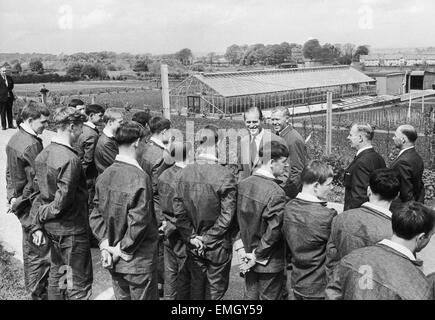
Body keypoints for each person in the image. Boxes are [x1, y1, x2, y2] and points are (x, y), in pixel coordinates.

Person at [90, 121, 159, 300]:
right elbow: (139, 222)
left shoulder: (105, 175)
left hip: (114, 260)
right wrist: (123, 249)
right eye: (145, 142)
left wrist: (106, 244)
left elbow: (95, 214)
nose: (146, 146)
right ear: (137, 142)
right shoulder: (140, 178)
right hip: (137, 262)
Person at [31, 107, 92, 300]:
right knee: (78, 283)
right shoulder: (71, 159)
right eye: (81, 127)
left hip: (53, 230)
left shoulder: (44, 153)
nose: (82, 132)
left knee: (60, 274)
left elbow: (38, 193)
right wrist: (41, 214)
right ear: (72, 127)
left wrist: (38, 223)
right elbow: (60, 203)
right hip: (71, 230)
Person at [173, 125, 237, 300]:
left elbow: (179, 212)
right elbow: (228, 215)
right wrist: (208, 238)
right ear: (218, 143)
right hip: (217, 245)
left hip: (193, 243)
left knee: (196, 286)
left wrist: (193, 237)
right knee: (215, 289)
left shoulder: (182, 174)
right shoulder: (225, 175)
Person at [326, 201, 435, 300]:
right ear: (421, 237)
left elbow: (332, 293)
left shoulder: (351, 258)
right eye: (431, 235)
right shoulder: (420, 286)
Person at [5, 101, 50, 300]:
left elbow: (9, 173)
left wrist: (12, 197)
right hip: (31, 208)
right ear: (30, 120)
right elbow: (39, 181)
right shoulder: (32, 144)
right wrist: (23, 200)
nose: (46, 126)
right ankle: (38, 295)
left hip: (22, 205)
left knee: (32, 252)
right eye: (43, 122)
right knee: (38, 256)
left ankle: (36, 293)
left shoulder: (15, 138)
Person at [235, 141, 289, 300]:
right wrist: (257, 254)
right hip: (269, 262)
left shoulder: (243, 184)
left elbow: (236, 221)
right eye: (284, 163)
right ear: (272, 162)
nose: (286, 167)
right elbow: (274, 231)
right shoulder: (276, 192)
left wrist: (243, 250)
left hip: (247, 255)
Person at [325, 168, 400, 280]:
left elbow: (331, 259)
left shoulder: (340, 218)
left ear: (368, 190)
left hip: (340, 285)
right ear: (397, 196)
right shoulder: (395, 233)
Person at [283, 160, 337, 300]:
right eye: (329, 184)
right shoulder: (327, 216)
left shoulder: (289, 207)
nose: (331, 188)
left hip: (296, 280)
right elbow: (334, 254)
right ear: (316, 186)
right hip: (319, 286)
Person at [138, 116, 174, 296]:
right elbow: (159, 190)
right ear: (164, 132)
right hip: (157, 211)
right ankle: (161, 286)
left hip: (145, 208)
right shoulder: (161, 156)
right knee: (161, 251)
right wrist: (162, 218)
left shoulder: (143, 148)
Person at [157, 141, 192, 300]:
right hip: (182, 229)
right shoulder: (188, 176)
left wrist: (163, 220)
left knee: (170, 273)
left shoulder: (164, 174)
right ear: (189, 154)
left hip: (167, 227)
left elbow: (157, 198)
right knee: (184, 273)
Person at [238, 106, 287, 185]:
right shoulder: (244, 142)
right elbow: (241, 170)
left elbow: (284, 174)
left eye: (255, 122)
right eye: (248, 122)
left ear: (261, 120)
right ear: (244, 121)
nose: (251, 125)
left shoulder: (276, 141)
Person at [344, 123, 386, 211]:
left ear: (360, 138)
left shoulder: (362, 162)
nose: (348, 138)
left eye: (350, 135)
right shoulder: (378, 158)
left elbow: (359, 198)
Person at [270, 106, 309, 199]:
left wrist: (287, 192)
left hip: (286, 191)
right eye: (272, 119)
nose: (274, 123)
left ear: (287, 119)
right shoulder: (278, 135)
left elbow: (298, 170)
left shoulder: (294, 139)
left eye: (277, 119)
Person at [390, 125, 425, 212]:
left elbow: (406, 192)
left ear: (403, 139)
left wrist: (413, 213)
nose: (393, 138)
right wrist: (419, 205)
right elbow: (420, 186)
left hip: (401, 210)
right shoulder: (417, 157)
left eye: (395, 136)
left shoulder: (403, 162)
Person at [94, 108, 123, 175]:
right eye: (120, 122)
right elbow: (118, 164)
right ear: (110, 122)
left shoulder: (110, 137)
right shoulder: (107, 143)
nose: (122, 124)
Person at [0, 65, 15, 130]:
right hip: (2, 98)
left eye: (5, 71)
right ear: (0, 72)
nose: (4, 72)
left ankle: (10, 124)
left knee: (9, 112)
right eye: (3, 71)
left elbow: (12, 86)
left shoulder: (9, 78)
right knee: (2, 112)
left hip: (9, 98)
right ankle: (3, 126)